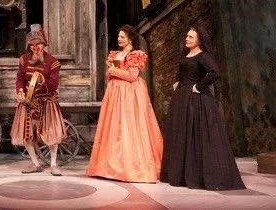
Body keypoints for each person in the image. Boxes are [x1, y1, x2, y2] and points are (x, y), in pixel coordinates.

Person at [160, 25, 246, 190]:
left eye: (191, 37)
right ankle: (181, 174)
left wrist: (198, 86)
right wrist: (178, 82)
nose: (187, 39)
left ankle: (198, 175)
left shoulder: (202, 55)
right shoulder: (186, 54)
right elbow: (184, 71)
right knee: (183, 134)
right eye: (187, 36)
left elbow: (215, 73)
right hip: (182, 98)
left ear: (199, 40)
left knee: (196, 134)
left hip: (195, 99)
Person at [86, 24, 163, 183]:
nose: (119, 39)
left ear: (130, 39)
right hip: (115, 93)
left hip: (129, 94)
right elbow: (112, 74)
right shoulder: (117, 54)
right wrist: (111, 72)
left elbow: (132, 76)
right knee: (115, 128)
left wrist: (114, 71)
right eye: (119, 36)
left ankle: (131, 167)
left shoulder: (135, 54)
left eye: (122, 37)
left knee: (129, 127)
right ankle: (111, 166)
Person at [10, 24, 66, 176]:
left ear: (44, 44)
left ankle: (53, 164)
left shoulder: (52, 61)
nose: (35, 48)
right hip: (28, 102)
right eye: (32, 45)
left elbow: (54, 84)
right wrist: (20, 91)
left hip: (46, 102)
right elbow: (20, 79)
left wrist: (42, 81)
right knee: (27, 133)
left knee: (51, 134)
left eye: (38, 44)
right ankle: (35, 163)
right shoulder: (24, 59)